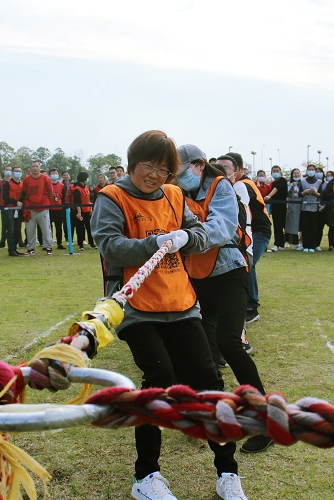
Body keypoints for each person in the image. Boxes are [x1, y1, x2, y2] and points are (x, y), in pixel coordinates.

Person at [91, 130, 247, 500]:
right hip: (135, 307)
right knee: (158, 375)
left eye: (164, 169)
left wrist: (187, 238)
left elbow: (198, 232)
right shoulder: (112, 197)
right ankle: (146, 476)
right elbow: (110, 246)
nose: (155, 175)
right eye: (149, 166)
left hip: (181, 302)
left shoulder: (176, 195)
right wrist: (154, 242)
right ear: (133, 163)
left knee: (209, 378)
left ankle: (227, 472)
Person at [176, 144, 272, 456]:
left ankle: (264, 419)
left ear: (198, 165)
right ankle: (213, 412)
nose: (176, 179)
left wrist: (186, 236)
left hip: (230, 273)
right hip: (197, 278)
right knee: (202, 352)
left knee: (230, 343)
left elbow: (220, 228)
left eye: (179, 172)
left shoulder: (222, 189)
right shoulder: (174, 192)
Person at [217, 154, 271, 324]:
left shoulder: (242, 185)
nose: (221, 171)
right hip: (254, 231)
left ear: (239, 170)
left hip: (258, 231)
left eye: (225, 167)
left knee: (247, 263)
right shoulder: (240, 183)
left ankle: (251, 307)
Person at [20, 161, 54, 256]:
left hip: (43, 208)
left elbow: (50, 191)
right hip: (30, 208)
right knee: (30, 230)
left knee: (46, 230)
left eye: (36, 166)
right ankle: (30, 248)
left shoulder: (45, 178)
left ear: (39, 167)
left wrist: (44, 200)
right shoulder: (27, 179)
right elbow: (24, 192)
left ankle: (48, 247)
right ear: (30, 168)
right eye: (33, 166)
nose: (35, 168)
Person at [2, 166, 25, 256]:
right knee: (11, 229)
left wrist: (21, 202)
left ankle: (15, 248)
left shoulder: (22, 184)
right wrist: (16, 202)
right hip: (10, 208)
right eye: (16, 171)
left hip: (18, 209)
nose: (18, 172)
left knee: (17, 229)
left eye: (19, 171)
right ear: (12, 173)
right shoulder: (7, 183)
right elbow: (5, 197)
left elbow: (24, 194)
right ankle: (11, 250)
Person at [299, 164, 322, 252]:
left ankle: (312, 246)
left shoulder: (319, 182)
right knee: (305, 228)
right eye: (309, 169)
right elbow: (299, 194)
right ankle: (305, 246)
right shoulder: (303, 182)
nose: (311, 171)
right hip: (304, 207)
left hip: (314, 207)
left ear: (315, 171)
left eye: (312, 169)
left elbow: (321, 195)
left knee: (313, 227)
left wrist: (315, 193)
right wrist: (305, 192)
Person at [264, 165, 287, 251]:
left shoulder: (282, 180)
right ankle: (279, 244)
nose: (275, 172)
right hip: (275, 207)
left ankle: (280, 243)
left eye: (277, 171)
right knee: (277, 226)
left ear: (280, 172)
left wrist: (268, 196)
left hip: (283, 207)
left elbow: (276, 189)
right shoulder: (273, 183)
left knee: (282, 225)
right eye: (274, 171)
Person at [71, 171, 95, 251]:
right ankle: (80, 245)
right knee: (80, 228)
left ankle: (91, 243)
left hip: (87, 210)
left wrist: (91, 209)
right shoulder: (76, 189)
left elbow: (89, 199)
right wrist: (79, 212)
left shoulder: (86, 187)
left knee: (89, 227)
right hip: (80, 211)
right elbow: (77, 202)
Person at [285, 168, 302, 248]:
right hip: (292, 205)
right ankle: (288, 241)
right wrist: (292, 186)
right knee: (291, 224)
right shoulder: (289, 184)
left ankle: (299, 242)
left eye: (297, 173)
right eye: (294, 173)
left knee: (300, 225)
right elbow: (286, 193)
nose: (296, 175)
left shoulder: (302, 183)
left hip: (301, 205)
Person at [0, 166, 12, 248]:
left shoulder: (14, 181)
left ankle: (18, 241)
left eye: (10, 170)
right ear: (3, 171)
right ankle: (2, 242)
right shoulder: (0, 182)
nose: (8, 171)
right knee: (4, 225)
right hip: (3, 206)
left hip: (12, 206)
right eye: (7, 170)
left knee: (13, 226)